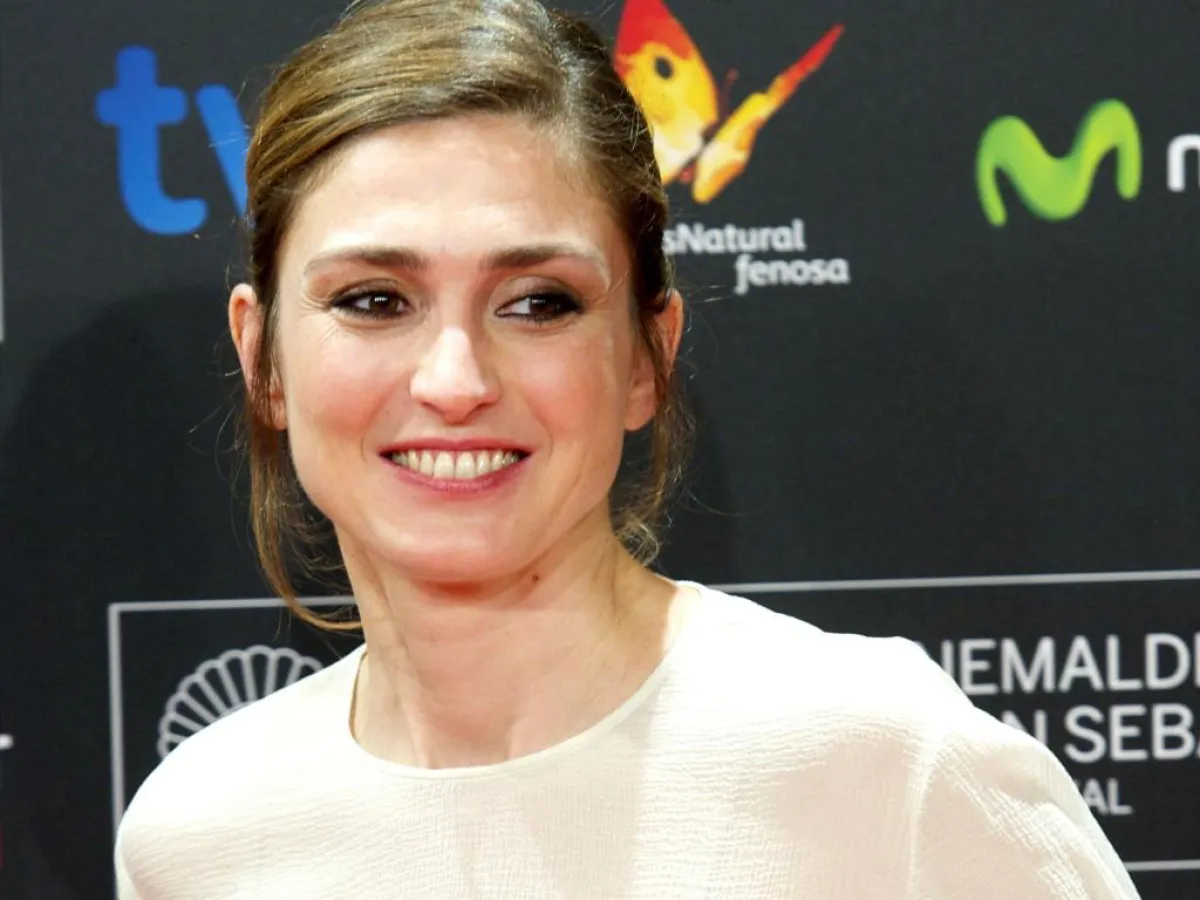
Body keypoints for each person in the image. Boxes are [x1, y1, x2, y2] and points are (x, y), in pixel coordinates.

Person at [113, 1, 1142, 897]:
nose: (455, 381)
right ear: (263, 358)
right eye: (374, 300)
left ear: (649, 357)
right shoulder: (199, 835)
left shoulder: (883, 764)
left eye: (538, 302)